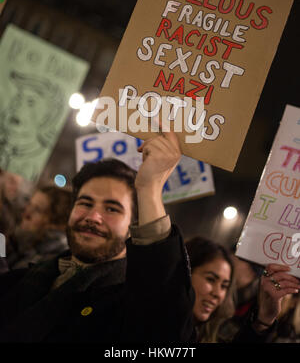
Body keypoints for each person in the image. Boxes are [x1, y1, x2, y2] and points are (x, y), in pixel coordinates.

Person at [0, 130, 195, 343]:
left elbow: (164, 327)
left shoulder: (127, 306)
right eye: (85, 203)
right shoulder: (22, 280)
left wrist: (149, 189)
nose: (93, 217)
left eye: (112, 209)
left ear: (133, 226)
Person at [185, 236, 300, 343]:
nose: (217, 294)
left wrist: (264, 318)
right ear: (186, 274)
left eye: (224, 286)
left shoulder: (208, 334)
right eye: (210, 279)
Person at [6, 185, 72, 269]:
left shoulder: (51, 256)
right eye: (29, 204)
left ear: (55, 223)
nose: (26, 213)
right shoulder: (26, 242)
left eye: (37, 210)